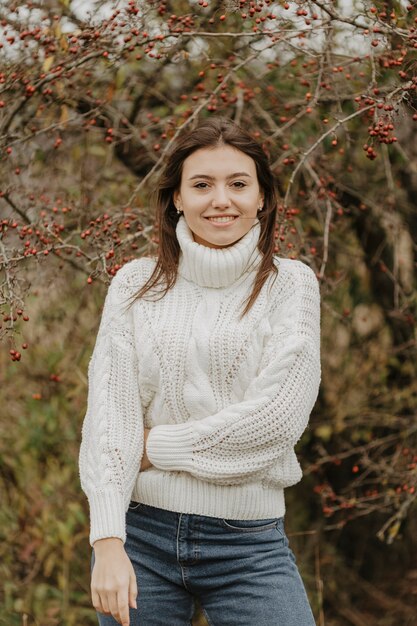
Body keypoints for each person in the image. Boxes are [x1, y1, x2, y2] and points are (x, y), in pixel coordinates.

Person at [79, 116, 321, 626]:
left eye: (238, 184)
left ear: (263, 198)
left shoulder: (290, 286)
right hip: (140, 537)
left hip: (249, 546)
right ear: (177, 198)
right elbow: (108, 417)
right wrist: (107, 543)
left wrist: (153, 446)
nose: (221, 200)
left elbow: (274, 424)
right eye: (202, 185)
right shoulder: (135, 284)